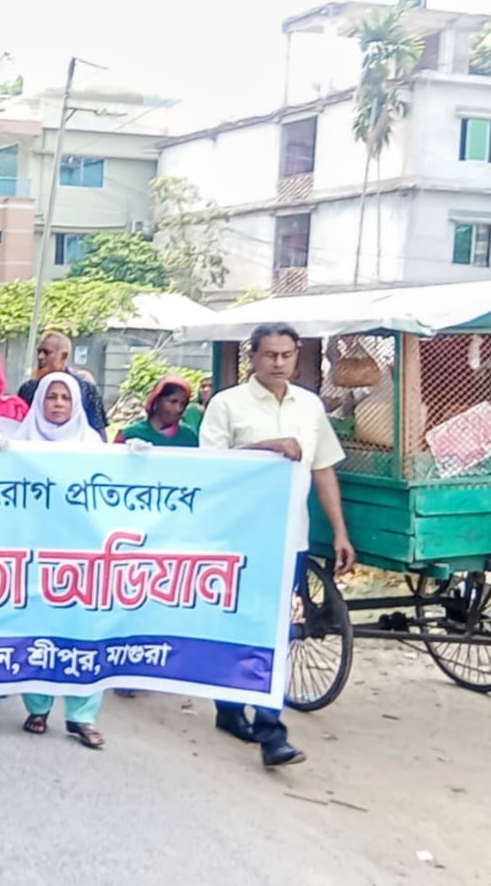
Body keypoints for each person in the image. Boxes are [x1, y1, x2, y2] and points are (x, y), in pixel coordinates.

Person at [199, 322, 355, 768]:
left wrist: (340, 532)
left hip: (291, 538)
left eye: (286, 355)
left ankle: (271, 732)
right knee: (237, 624)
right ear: (252, 357)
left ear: (297, 355)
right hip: (238, 538)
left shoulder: (310, 406)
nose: (279, 363)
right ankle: (230, 706)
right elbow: (210, 469)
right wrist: (266, 447)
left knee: (282, 628)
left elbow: (323, 468)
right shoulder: (227, 405)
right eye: (270, 355)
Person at [7, 372, 106, 749]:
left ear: (76, 403)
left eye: (66, 397)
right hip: (34, 549)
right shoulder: (21, 442)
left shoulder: (92, 444)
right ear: (40, 402)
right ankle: (37, 706)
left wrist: (134, 462)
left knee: (85, 628)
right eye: (52, 397)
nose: (59, 404)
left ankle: (83, 716)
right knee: (37, 623)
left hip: (81, 551)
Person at [16, 332, 108, 438]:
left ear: (64, 356)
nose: (40, 357)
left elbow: (99, 431)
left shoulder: (86, 389)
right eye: (39, 352)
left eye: (47, 352)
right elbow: (19, 426)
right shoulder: (28, 389)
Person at [115, 375, 200, 447]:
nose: (179, 409)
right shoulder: (130, 434)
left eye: (183, 404)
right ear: (156, 400)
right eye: (173, 401)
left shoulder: (189, 436)